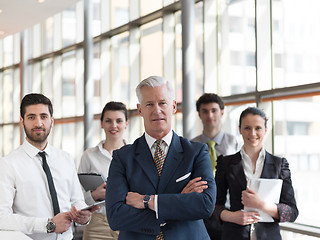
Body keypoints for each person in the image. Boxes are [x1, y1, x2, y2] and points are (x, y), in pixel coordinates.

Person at [105, 76, 216, 239]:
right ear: (140, 109)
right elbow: (116, 216)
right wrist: (179, 203)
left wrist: (147, 201)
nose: (157, 110)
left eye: (162, 103)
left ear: (173, 106)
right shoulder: (122, 157)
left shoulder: (196, 152)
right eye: (149, 104)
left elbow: (205, 205)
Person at [0, 93, 98, 240]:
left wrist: (83, 215)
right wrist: (48, 225)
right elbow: (2, 218)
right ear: (22, 121)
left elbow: (76, 200)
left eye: (44, 117)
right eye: (31, 117)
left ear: (52, 121)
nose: (38, 123)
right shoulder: (8, 164)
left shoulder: (65, 159)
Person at [214, 107, 298, 240]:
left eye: (258, 128)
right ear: (240, 129)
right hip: (233, 235)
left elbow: (292, 212)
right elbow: (214, 206)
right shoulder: (226, 163)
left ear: (265, 130)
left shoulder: (279, 165)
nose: (252, 133)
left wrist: (262, 205)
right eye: (247, 128)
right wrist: (232, 216)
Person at [192, 93, 241, 239]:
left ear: (222, 112)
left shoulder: (236, 143)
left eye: (213, 110)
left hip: (228, 211)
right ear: (199, 114)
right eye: (205, 111)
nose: (210, 115)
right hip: (200, 211)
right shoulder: (191, 146)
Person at [78, 101, 129, 240]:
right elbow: (76, 197)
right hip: (97, 225)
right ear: (101, 123)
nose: (114, 126)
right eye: (108, 121)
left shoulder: (135, 156)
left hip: (127, 222)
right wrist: (94, 195)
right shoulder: (88, 156)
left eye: (119, 121)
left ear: (126, 123)